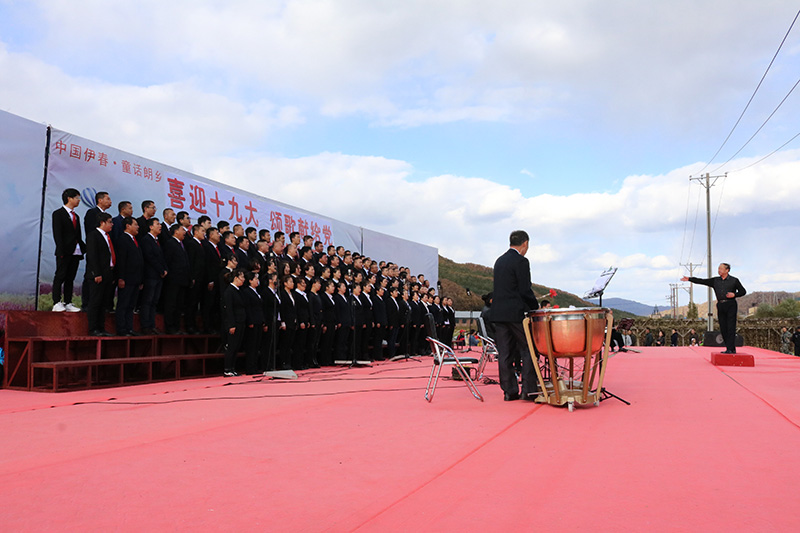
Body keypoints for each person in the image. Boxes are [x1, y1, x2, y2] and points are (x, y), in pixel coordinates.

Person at [491, 230, 540, 402]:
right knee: (529, 349)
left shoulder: (499, 261)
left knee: (505, 353)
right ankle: (529, 390)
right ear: (525, 243)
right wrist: (535, 307)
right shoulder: (521, 261)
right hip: (516, 313)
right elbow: (524, 289)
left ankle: (509, 391)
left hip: (499, 314)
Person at [683, 263, 746, 354]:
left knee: (731, 327)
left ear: (727, 270)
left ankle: (731, 348)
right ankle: (729, 348)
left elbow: (743, 291)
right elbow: (702, 281)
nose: (719, 270)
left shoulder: (734, 280)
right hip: (720, 305)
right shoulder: (715, 280)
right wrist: (690, 279)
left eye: (721, 268)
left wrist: (734, 294)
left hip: (731, 304)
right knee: (723, 327)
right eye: (718, 268)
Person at [51, 188, 85, 312]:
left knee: (70, 277)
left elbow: (78, 235)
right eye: (77, 198)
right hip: (64, 251)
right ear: (69, 198)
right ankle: (56, 302)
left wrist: (83, 248)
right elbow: (57, 234)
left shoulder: (76, 216)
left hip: (76, 251)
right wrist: (60, 251)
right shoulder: (58, 214)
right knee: (60, 276)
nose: (79, 200)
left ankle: (68, 302)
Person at [84, 213, 115, 336]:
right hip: (97, 275)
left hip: (107, 274)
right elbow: (92, 256)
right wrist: (96, 273)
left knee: (103, 302)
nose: (112, 224)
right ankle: (93, 328)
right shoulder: (93, 235)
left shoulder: (108, 236)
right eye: (110, 222)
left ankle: (101, 328)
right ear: (102, 222)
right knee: (95, 302)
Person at [114, 217, 143, 336]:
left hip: (136, 279)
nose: (138, 227)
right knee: (123, 304)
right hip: (126, 279)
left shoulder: (135, 240)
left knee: (131, 305)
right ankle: (121, 329)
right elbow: (121, 261)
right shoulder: (123, 239)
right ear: (128, 226)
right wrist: (121, 278)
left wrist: (140, 280)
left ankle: (129, 328)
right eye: (135, 224)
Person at [140, 218, 167, 334]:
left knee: (154, 301)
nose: (160, 226)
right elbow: (149, 257)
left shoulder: (157, 241)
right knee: (147, 301)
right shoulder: (146, 240)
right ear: (151, 227)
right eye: (157, 224)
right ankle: (146, 326)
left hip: (158, 276)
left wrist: (165, 269)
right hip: (150, 275)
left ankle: (152, 325)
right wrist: (161, 269)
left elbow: (161, 257)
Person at [221, 269, 246, 376]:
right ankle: (227, 368)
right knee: (231, 346)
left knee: (236, 346)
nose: (243, 279)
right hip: (234, 322)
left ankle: (232, 368)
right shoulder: (229, 291)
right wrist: (231, 325)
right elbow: (229, 310)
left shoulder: (238, 290)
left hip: (240, 321)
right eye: (242, 277)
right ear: (236, 278)